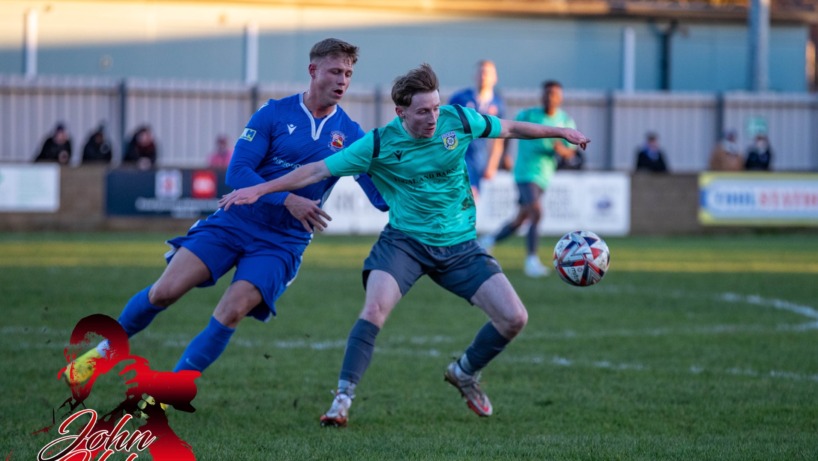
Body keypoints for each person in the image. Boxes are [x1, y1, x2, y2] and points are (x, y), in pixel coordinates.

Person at [218, 63, 589, 426]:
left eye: (436, 109)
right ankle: (342, 400)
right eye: (423, 112)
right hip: (405, 244)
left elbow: (508, 128)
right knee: (374, 309)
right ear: (401, 112)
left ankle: (463, 372)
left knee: (514, 318)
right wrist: (261, 188)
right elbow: (315, 170)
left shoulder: (458, 120)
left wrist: (558, 131)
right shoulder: (377, 144)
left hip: (460, 246)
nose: (432, 118)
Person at [63, 39, 389, 405]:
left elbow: (380, 199)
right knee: (164, 292)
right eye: (335, 71)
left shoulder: (353, 136)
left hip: (281, 243)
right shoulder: (274, 114)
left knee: (231, 310)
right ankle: (104, 352)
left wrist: (415, 181)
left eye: (348, 73)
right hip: (234, 222)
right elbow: (237, 171)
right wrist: (287, 198)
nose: (342, 80)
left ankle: (172, 388)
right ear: (313, 71)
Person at [478, 80, 579, 278]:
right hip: (524, 173)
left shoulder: (566, 121)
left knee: (521, 219)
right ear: (542, 96)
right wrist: (505, 155)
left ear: (560, 98)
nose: (550, 97)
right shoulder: (529, 115)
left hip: (544, 176)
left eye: (554, 94)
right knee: (537, 213)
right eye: (547, 93)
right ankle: (531, 260)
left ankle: (488, 241)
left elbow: (571, 153)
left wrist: (563, 150)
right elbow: (510, 131)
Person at [448, 60, 506, 201]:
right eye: (480, 72)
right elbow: (447, 127)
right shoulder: (460, 98)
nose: (483, 76)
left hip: (479, 159)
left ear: (495, 78)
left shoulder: (497, 104)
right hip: (460, 155)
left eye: (487, 73)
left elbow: (499, 138)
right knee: (466, 196)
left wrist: (492, 164)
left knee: (470, 199)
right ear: (474, 76)